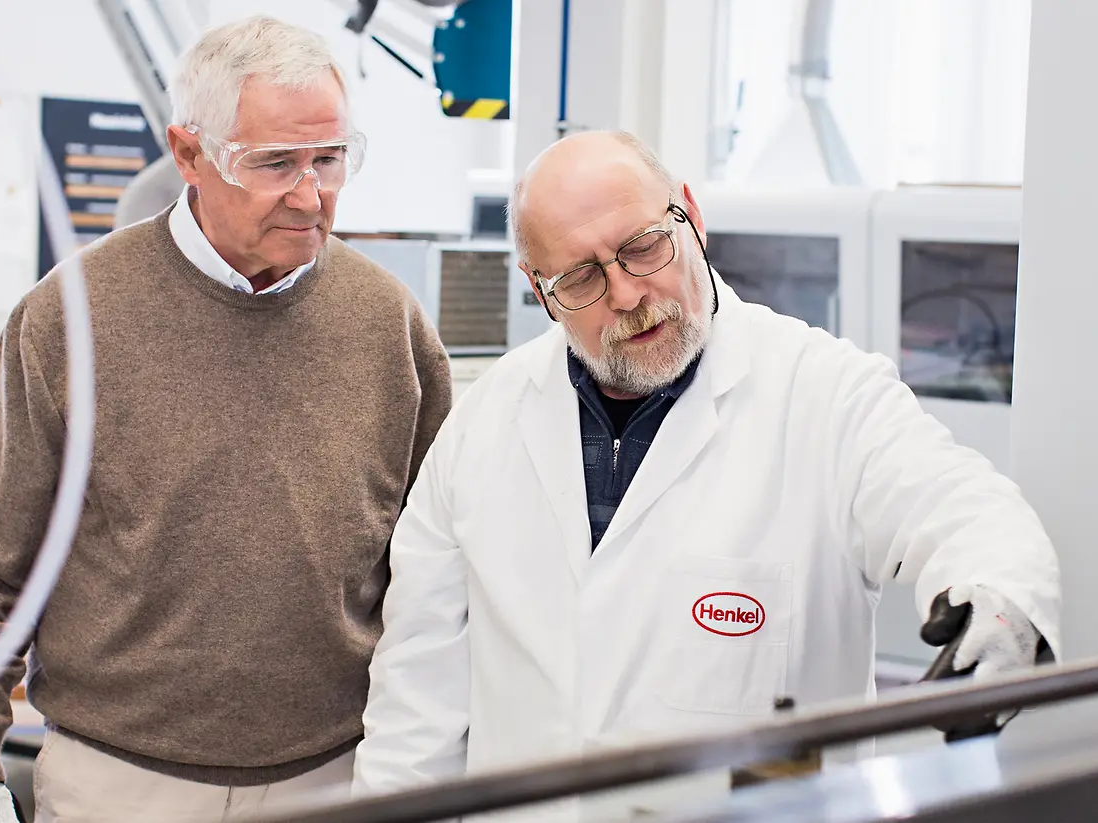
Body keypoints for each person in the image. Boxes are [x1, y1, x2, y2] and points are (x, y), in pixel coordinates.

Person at [352, 131, 1060, 816]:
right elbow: (417, 700)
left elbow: (963, 505)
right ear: (538, 289)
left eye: (643, 247)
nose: (626, 293)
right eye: (582, 277)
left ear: (692, 212)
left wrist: (1001, 602)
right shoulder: (486, 422)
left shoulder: (825, 396)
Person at [0, 15, 452, 823]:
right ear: (188, 153)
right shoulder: (69, 317)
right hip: (121, 782)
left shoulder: (389, 324)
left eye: (330, 158)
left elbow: (436, 571)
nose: (311, 194)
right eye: (275, 163)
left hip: (337, 775)